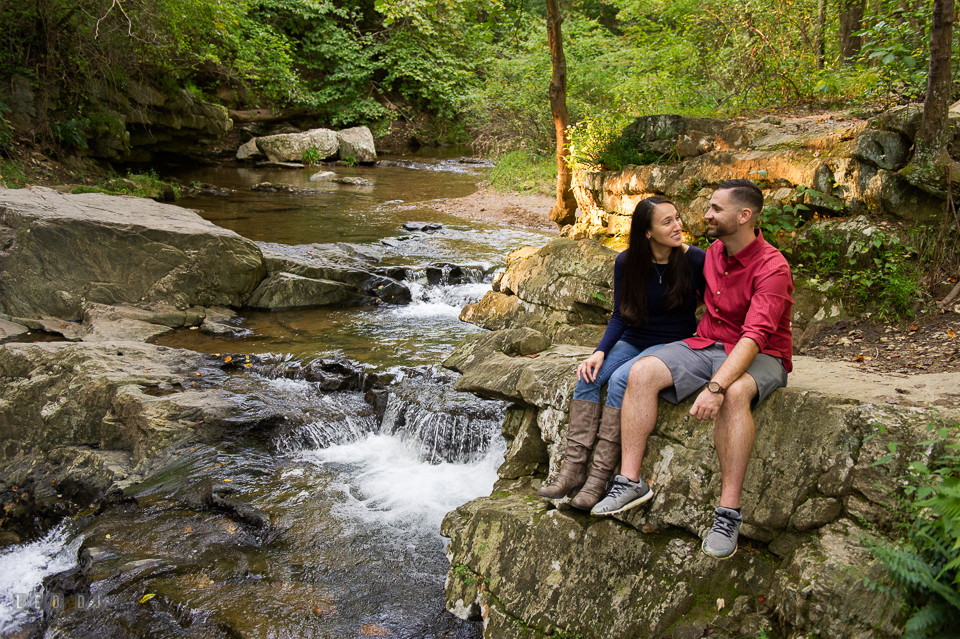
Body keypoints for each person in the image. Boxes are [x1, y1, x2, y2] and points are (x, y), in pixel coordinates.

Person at [590, 179, 794, 560]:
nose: (706, 214)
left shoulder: (772, 266)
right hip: (706, 343)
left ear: (744, 216)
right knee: (642, 372)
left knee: (735, 395)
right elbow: (665, 251)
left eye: (716, 209)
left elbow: (755, 336)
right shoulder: (712, 253)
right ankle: (630, 481)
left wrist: (716, 387)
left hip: (761, 353)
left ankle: (728, 514)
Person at [538, 196, 706, 510]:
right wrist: (600, 351)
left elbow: (715, 304)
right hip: (634, 338)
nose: (677, 226)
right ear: (647, 232)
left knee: (620, 381)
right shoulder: (627, 262)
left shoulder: (695, 259)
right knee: (588, 376)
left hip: (672, 344)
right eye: (667, 221)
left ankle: (598, 481)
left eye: (677, 218)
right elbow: (620, 313)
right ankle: (573, 472)